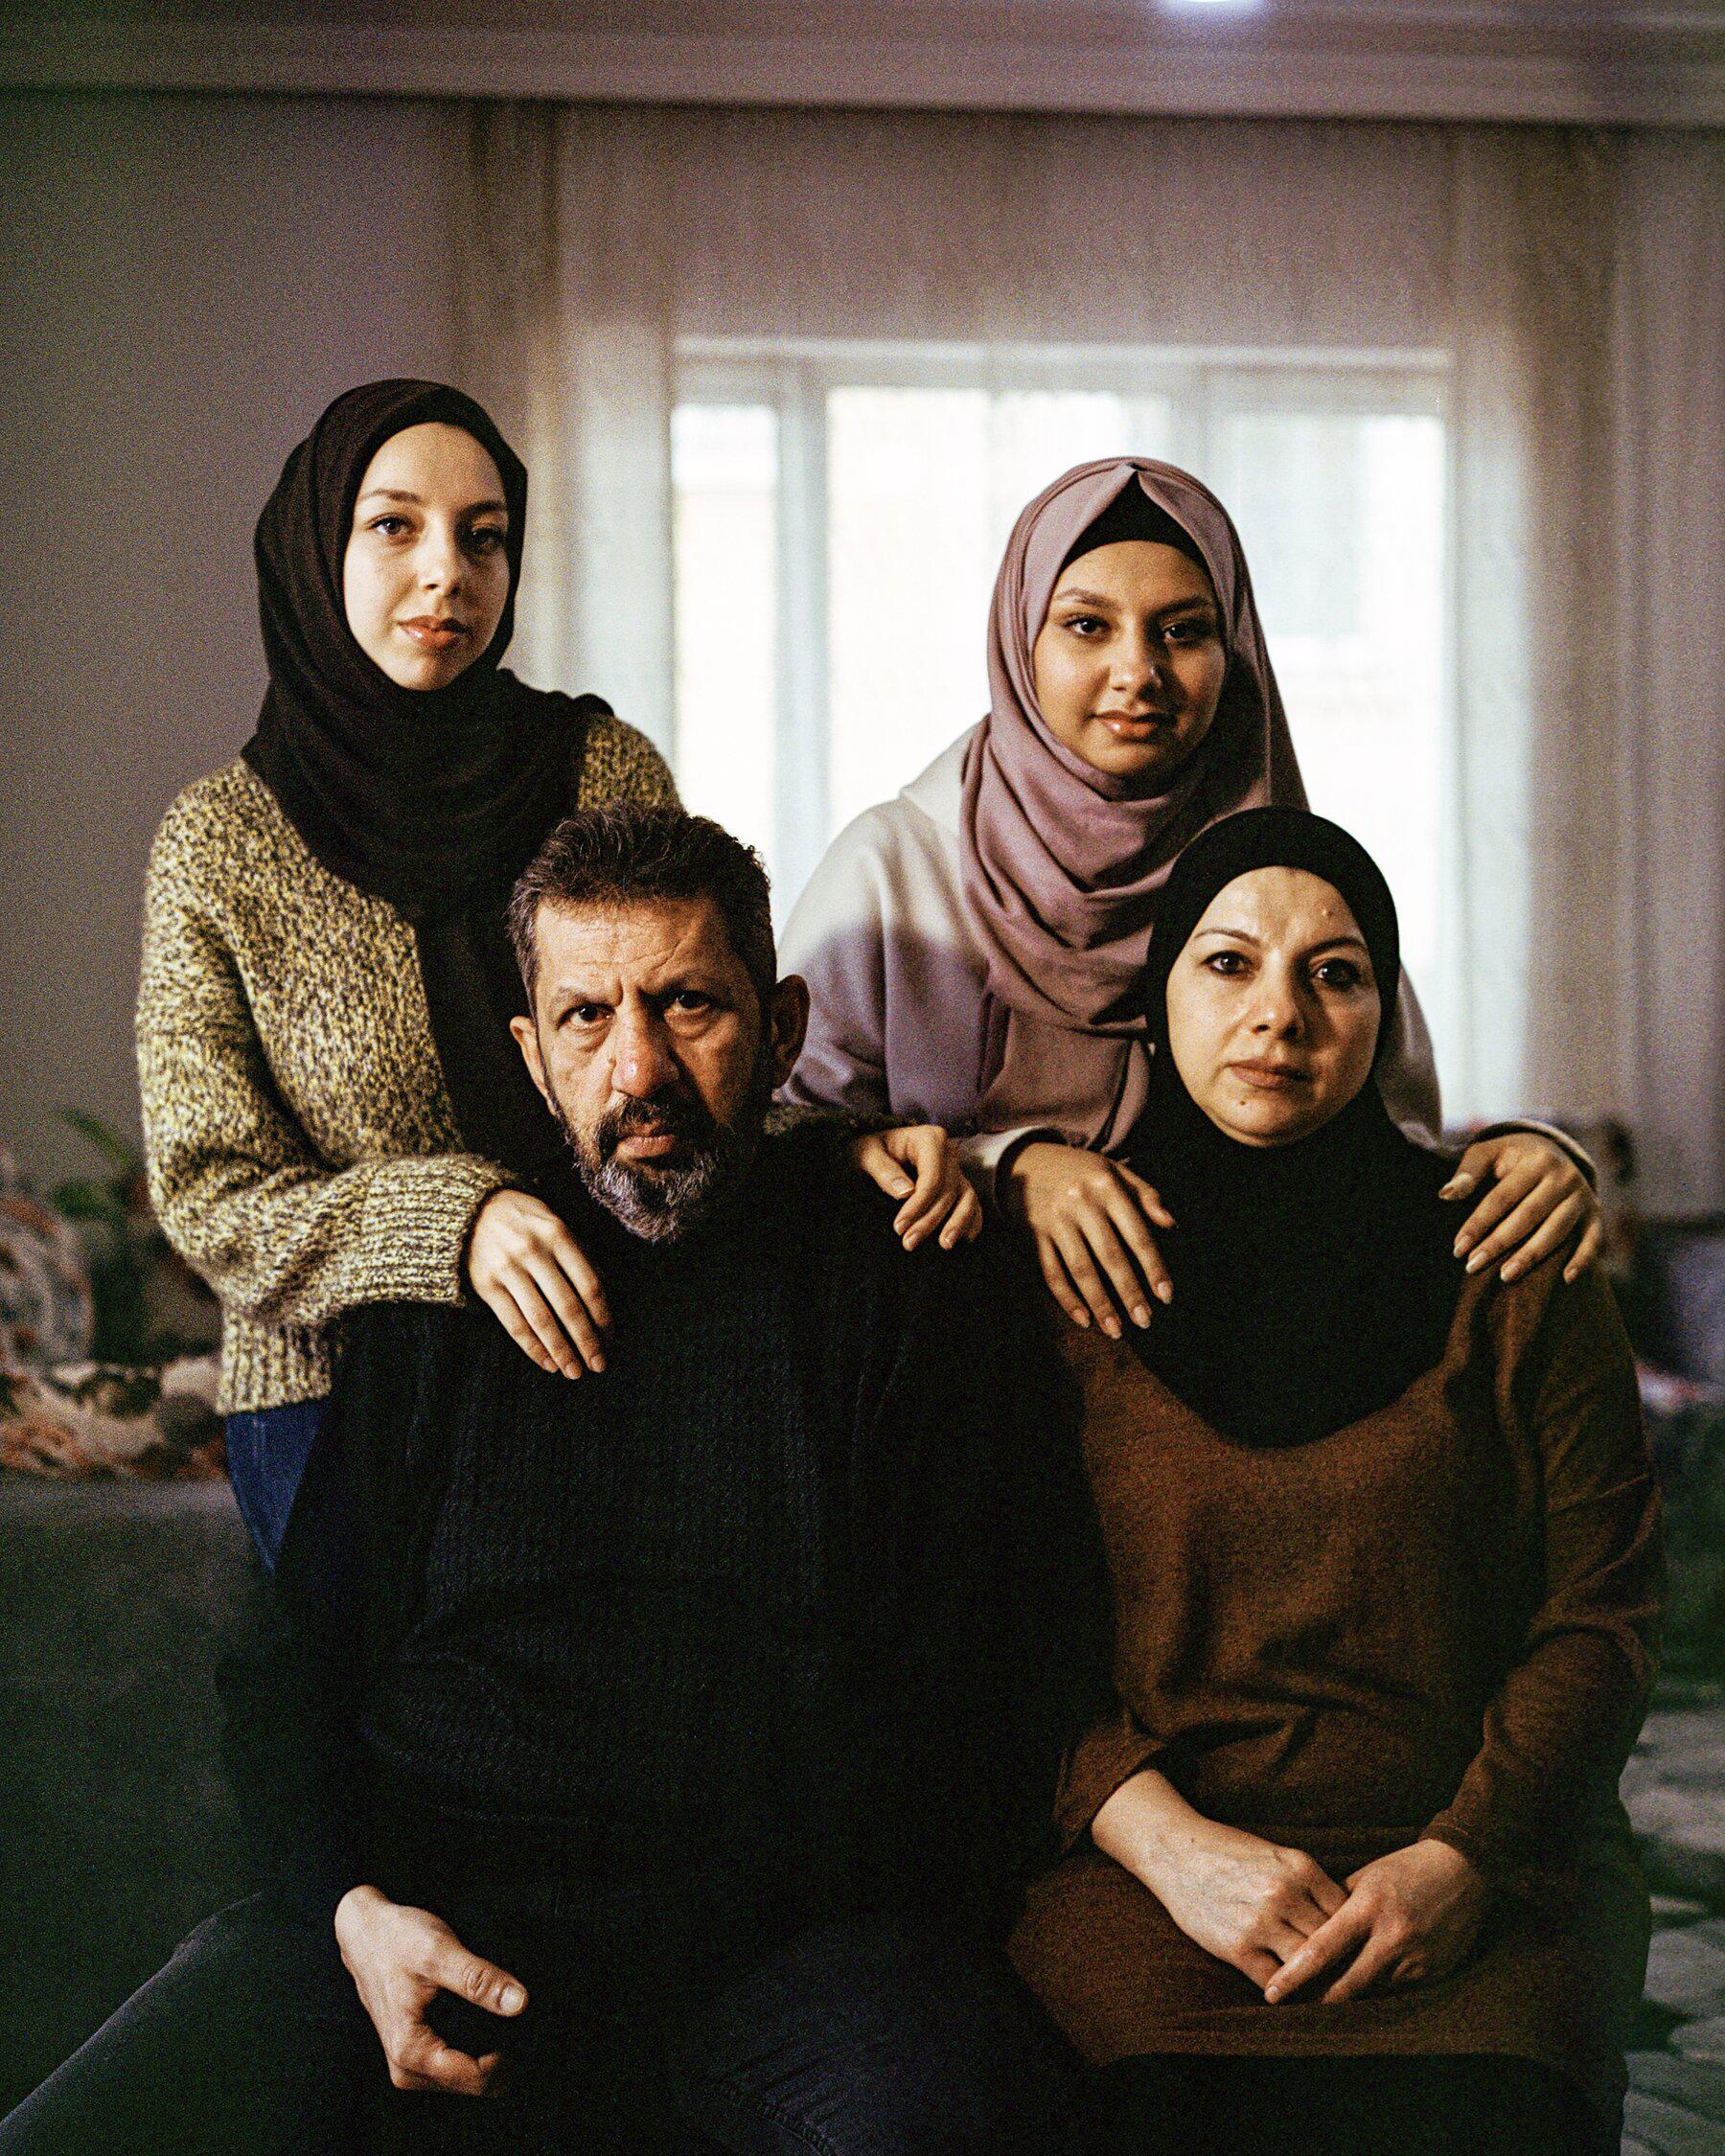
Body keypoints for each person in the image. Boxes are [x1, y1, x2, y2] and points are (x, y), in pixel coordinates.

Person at [10, 806, 1098, 2155]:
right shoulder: (438, 1305)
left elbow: (980, 1701)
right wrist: (354, 1909)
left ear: (783, 1025)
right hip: (426, 1927)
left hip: (791, 1957)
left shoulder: (903, 1279)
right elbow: (288, 1674)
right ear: (531, 1055)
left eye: (689, 1003)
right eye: (586, 1018)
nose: (638, 1065)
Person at [138, 378, 969, 1566]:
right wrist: (452, 1222)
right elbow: (211, 1194)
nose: (448, 573)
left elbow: (676, 1045)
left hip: (631, 1322)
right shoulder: (219, 841)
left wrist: (835, 1148)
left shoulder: (598, 764)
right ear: (315, 549)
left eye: (485, 538)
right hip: (338, 1385)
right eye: (395, 526)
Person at [1005, 807, 1663, 2156]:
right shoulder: (1058, 1273)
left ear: (1385, 1009)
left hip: (1489, 1866)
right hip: (1154, 1885)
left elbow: (1601, 1617)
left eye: (1336, 971)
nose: (1281, 1016)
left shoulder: (1515, 1260)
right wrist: (1178, 1852)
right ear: (1156, 997)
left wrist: (1463, 1856)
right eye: (1229, 963)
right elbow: (1003, 1634)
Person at [779, 457, 1600, 1334]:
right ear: (1021, 642)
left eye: (1183, 631)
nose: (1139, 672)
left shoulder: (1283, 874)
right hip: (940, 1376)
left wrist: (1539, 1158)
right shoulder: (895, 873)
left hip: (1223, 1361)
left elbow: (1379, 1149)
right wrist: (1007, 1169)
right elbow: (779, 1155)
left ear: (1234, 649)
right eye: (1088, 626)